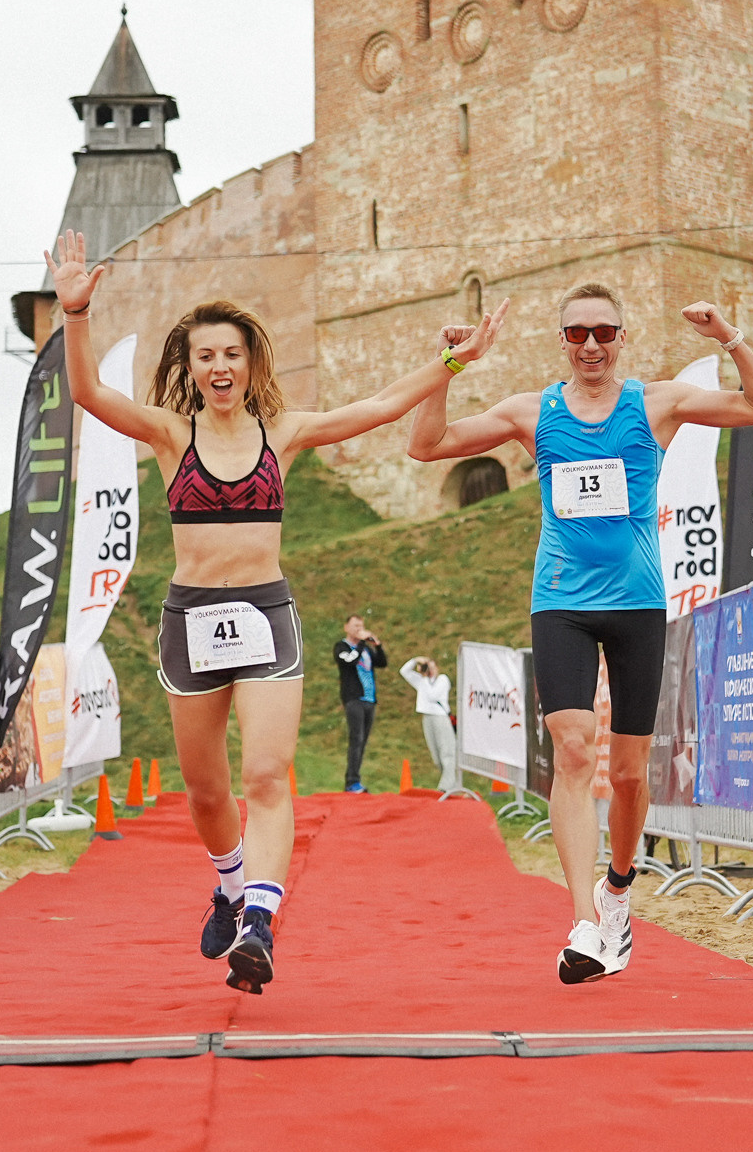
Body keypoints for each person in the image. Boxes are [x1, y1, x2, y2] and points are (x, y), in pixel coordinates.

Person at [50, 231, 507, 993]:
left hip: (264, 614)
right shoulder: (171, 434)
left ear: (250, 363)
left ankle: (259, 921)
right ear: (190, 370)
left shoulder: (284, 432)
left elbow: (384, 404)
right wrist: (75, 315)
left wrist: (455, 362)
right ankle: (229, 886)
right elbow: (91, 396)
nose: (220, 366)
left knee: (266, 775)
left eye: (232, 354)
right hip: (192, 619)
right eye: (206, 357)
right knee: (206, 791)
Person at [409, 282, 753, 983]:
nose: (590, 346)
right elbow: (425, 445)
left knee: (630, 772)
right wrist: (453, 366)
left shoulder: (657, 403)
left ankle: (617, 888)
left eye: (603, 333)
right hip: (562, 602)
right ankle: (584, 921)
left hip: (639, 602)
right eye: (577, 333)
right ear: (561, 341)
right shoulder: (533, 412)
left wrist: (728, 336)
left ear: (621, 338)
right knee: (575, 752)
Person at [332, 615, 385, 793]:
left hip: (369, 699)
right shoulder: (341, 647)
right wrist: (361, 643)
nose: (359, 629)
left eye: (361, 626)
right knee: (356, 738)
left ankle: (356, 779)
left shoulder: (366, 650)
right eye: (355, 626)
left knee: (363, 741)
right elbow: (350, 660)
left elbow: (382, 663)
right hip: (353, 698)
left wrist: (377, 645)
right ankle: (351, 781)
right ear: (346, 627)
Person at [401, 656, 460, 795]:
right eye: (428, 667)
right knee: (436, 756)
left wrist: (425, 678)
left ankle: (445, 787)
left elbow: (433, 696)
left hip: (440, 717)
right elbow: (404, 671)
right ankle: (452, 786)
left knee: (447, 752)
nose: (430, 671)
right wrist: (416, 660)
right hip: (427, 717)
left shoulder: (442, 680)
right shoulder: (422, 681)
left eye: (432, 667)